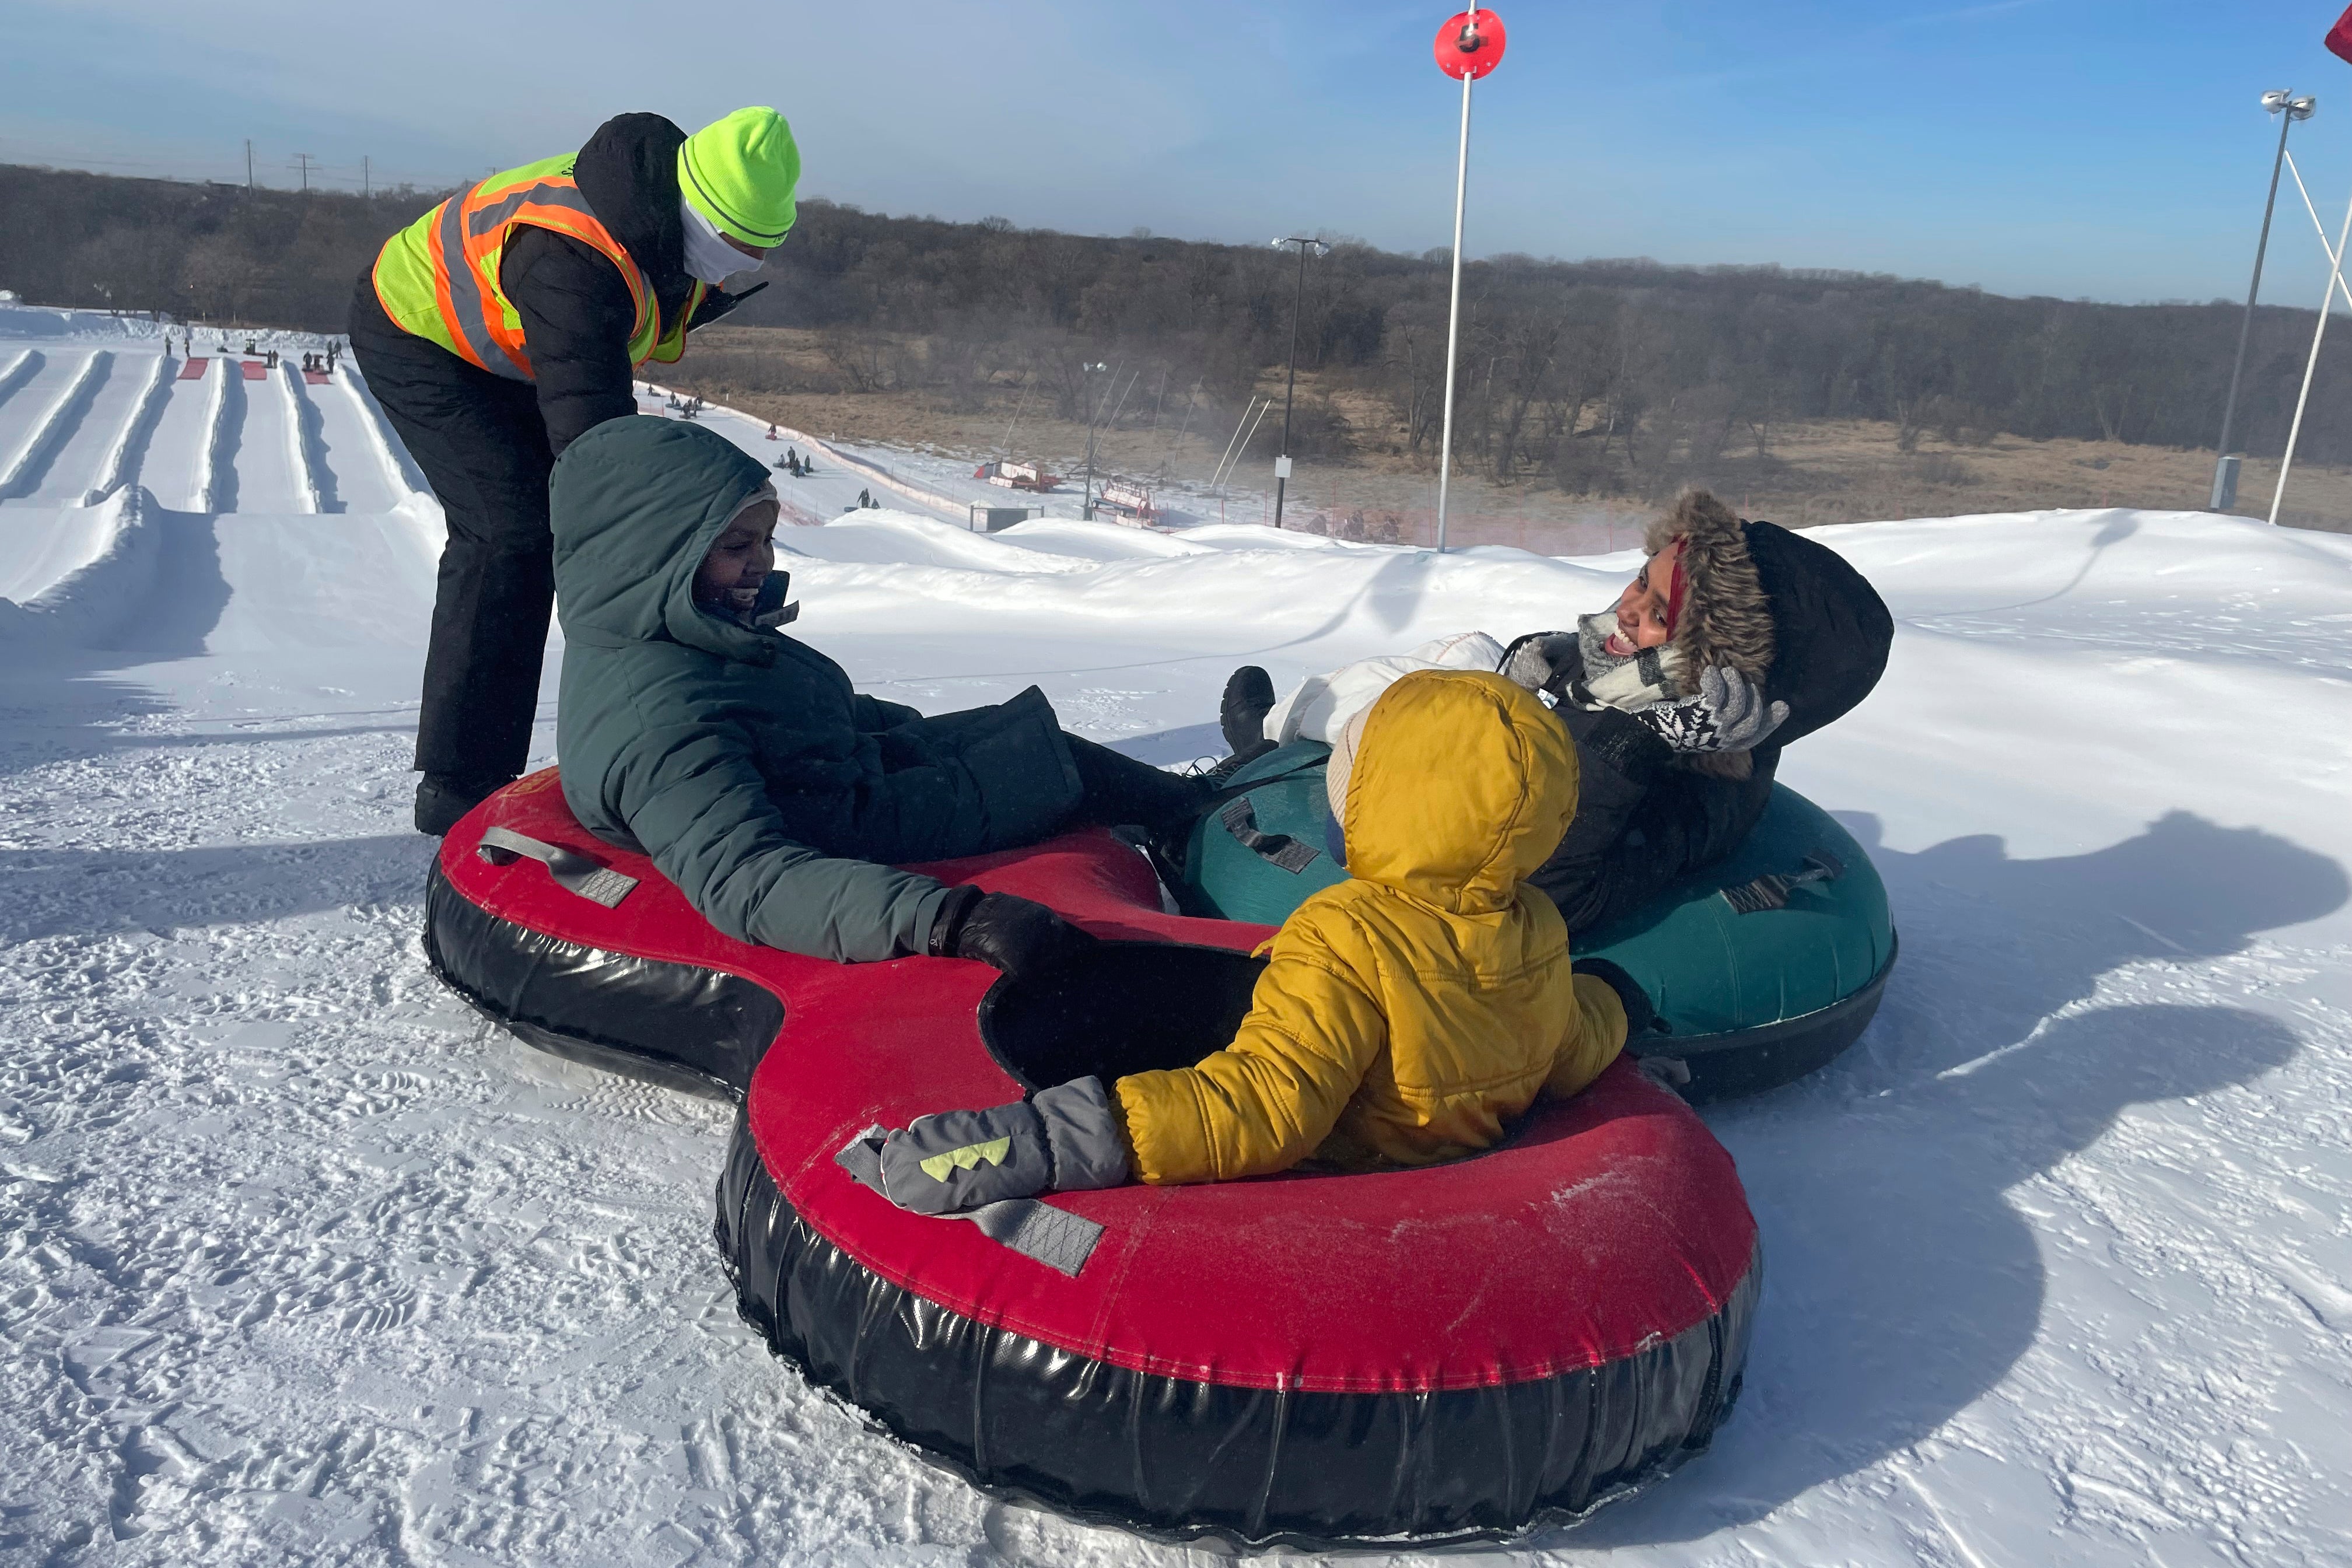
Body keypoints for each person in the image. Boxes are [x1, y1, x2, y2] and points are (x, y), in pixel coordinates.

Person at [854, 669, 1640, 1214]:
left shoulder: (1349, 939)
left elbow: (1268, 1108)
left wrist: (1051, 1137)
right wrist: (1618, 1003)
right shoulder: (1534, 928)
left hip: (1343, 1186)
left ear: (1386, 803)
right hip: (1447, 1175)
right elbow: (1570, 1041)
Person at [551, 416, 1219, 974]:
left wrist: (926, 734)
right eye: (735, 545)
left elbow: (803, 708)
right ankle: (1210, 836)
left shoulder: (692, 630)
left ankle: (1204, 807)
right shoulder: (657, 726)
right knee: (1053, 767)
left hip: (837, 775)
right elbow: (749, 879)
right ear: (655, 556)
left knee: (1014, 736)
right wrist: (950, 919)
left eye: (766, 540)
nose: (764, 563)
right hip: (848, 822)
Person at [351, 107, 799, 836]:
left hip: (520, 342)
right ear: (691, 209)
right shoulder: (574, 263)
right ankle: (460, 788)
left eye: (760, 250)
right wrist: (660, 578)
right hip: (420, 333)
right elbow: (597, 456)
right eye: (731, 244)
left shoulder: (661, 228)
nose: (739, 265)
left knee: (559, 525)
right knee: (512, 534)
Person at [1224, 489, 1894, 935]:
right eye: (1641, 578)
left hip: (1444, 803)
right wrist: (1551, 659)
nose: (1628, 609)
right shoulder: (1645, 679)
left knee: (1398, 702)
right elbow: (1593, 682)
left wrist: (1636, 738)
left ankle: (1271, 734)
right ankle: (1281, 726)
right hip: (1515, 743)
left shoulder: (1703, 785)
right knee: (1471, 649)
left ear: (1726, 670)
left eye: (1660, 613)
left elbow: (1549, 892)